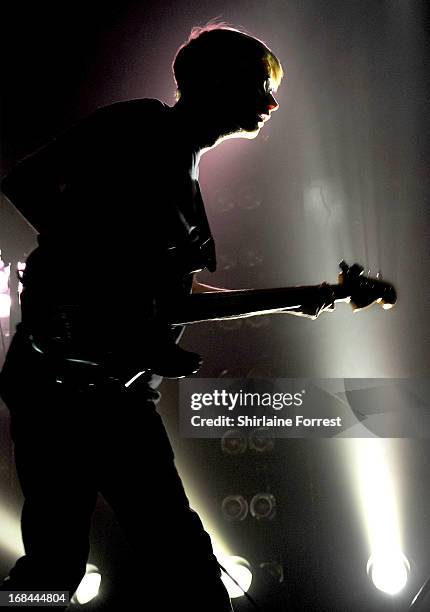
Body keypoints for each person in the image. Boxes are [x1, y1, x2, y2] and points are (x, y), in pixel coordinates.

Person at [0, 23, 283, 610]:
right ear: (215, 82)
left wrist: (310, 296)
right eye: (259, 85)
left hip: (116, 398)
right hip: (62, 387)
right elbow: (24, 181)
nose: (271, 102)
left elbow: (167, 301)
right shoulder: (137, 126)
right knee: (58, 573)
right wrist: (109, 294)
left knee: (174, 569)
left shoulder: (188, 177)